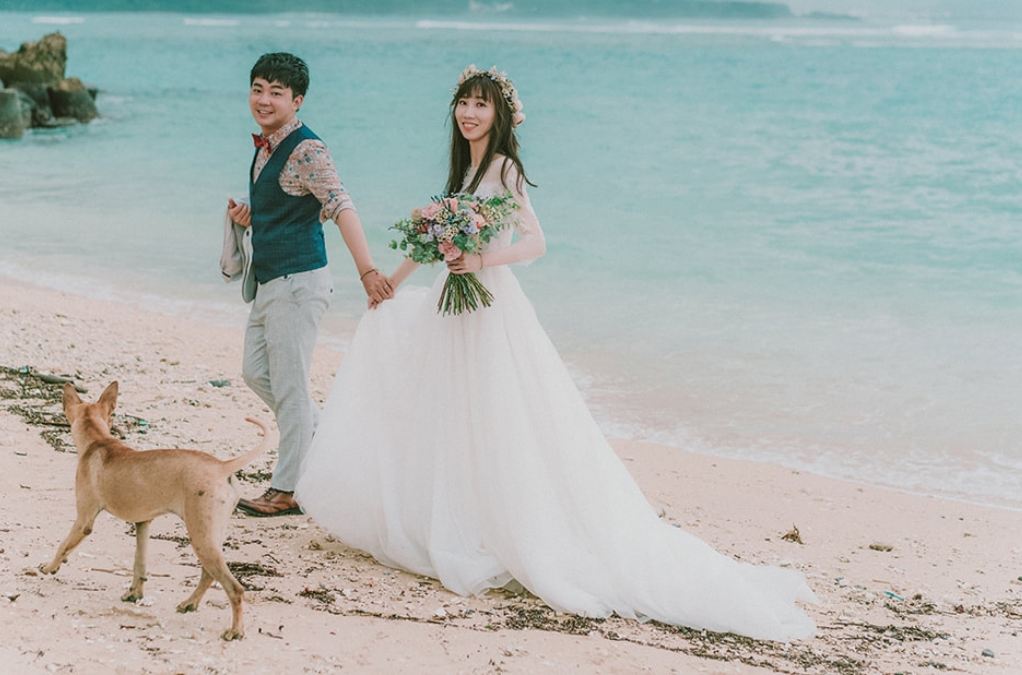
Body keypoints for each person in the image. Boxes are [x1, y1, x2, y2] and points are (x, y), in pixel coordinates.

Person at [294, 65, 817, 641]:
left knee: (498, 414)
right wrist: (387, 283)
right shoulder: (464, 169)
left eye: (480, 105)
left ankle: (506, 529)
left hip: (490, 305)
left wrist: (480, 262)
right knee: (453, 409)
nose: (469, 113)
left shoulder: (505, 169)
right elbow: (436, 240)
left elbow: (535, 243)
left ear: (500, 115)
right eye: (464, 103)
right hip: (455, 303)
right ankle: (462, 520)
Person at [227, 52, 393, 517]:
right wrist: (249, 215)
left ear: (296, 100)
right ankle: (326, 448)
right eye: (258, 88)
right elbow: (286, 202)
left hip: (299, 284)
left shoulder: (308, 149)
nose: (264, 99)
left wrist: (367, 271)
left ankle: (288, 488)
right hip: (271, 282)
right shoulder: (266, 145)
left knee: (290, 387)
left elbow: (341, 205)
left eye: (276, 92)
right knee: (256, 373)